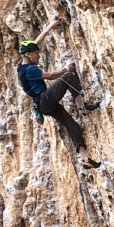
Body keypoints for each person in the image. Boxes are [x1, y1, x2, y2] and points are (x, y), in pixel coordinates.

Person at [17, 20, 102, 169]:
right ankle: (82, 107)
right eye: (36, 53)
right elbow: (51, 76)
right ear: (29, 54)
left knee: (71, 125)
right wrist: (66, 68)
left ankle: (85, 159)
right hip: (45, 100)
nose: (39, 55)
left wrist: (49, 27)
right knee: (68, 77)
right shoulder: (30, 70)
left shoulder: (23, 65)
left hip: (43, 106)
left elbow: (37, 41)